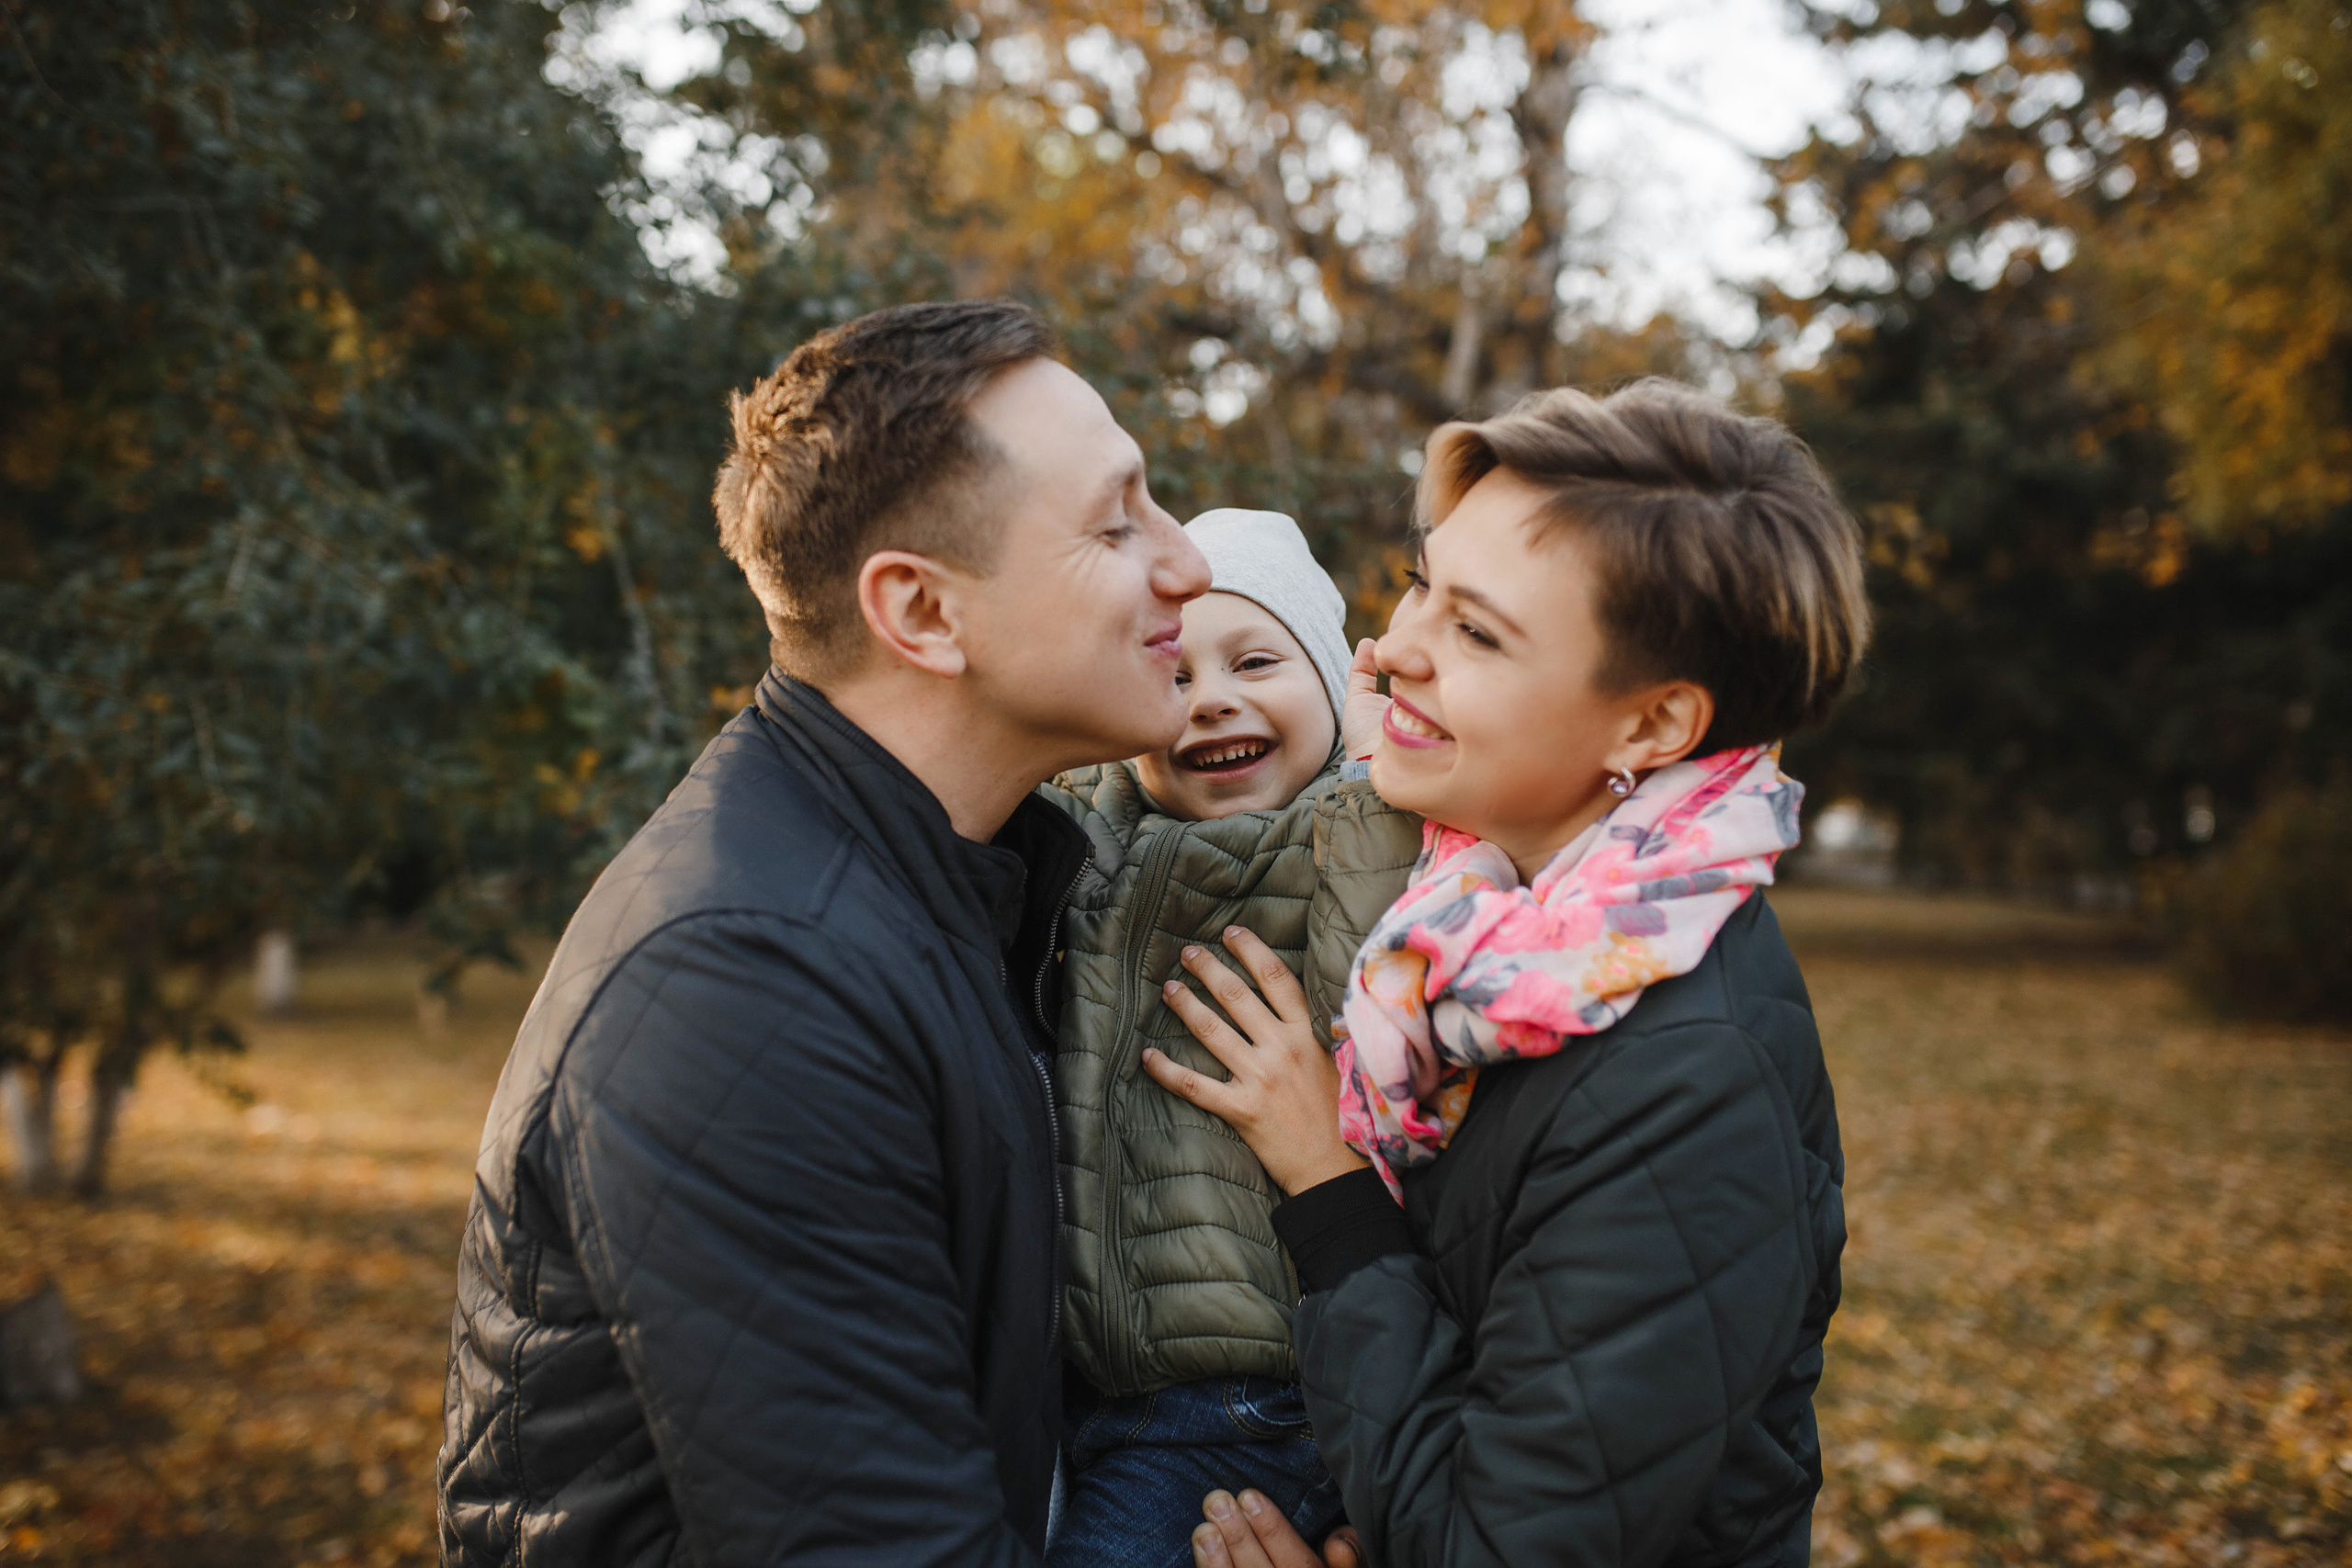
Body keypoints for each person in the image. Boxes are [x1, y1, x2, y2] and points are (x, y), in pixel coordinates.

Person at [435, 299, 1213, 1566]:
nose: (1185, 564)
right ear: (921, 611)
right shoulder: (748, 981)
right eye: (1116, 523)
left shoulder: (963, 883)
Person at [1142, 379, 1867, 1568]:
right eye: (1423, 580)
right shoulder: (1471, 932)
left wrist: (1327, 1184)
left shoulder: (1683, 1079)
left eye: (1477, 631)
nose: (1392, 647)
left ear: (1650, 725)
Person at [1036, 510, 1421, 1567]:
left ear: (1336, 690)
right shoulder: (1095, 834)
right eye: (1171, 676)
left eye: (1256, 661)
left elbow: (1377, 960)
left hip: (1254, 1402)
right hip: (1097, 1384)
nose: (1209, 697)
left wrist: (1373, 777)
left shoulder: (1356, 830)